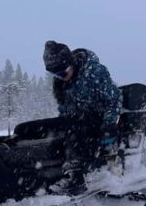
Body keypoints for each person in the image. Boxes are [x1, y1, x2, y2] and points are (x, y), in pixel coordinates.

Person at [43, 40, 122, 191]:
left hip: (99, 120)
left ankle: (77, 175)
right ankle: (49, 172)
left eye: (63, 73)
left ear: (71, 63)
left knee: (75, 126)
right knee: (47, 127)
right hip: (77, 120)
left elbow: (114, 99)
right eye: (55, 74)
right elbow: (64, 108)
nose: (60, 77)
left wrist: (109, 124)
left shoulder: (93, 72)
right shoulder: (61, 82)